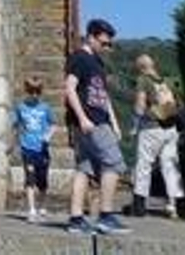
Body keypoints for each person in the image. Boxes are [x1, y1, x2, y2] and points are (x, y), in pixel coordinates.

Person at [63, 17, 130, 236]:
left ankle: (76, 219)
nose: (107, 47)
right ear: (91, 37)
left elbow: (104, 96)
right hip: (90, 121)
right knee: (114, 163)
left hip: (99, 121)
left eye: (109, 44)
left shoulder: (98, 63)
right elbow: (70, 88)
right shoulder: (79, 58)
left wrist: (115, 124)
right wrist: (82, 118)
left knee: (85, 168)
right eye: (103, 43)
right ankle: (106, 216)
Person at [130, 53, 185, 219]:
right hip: (171, 128)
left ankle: (139, 206)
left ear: (140, 68)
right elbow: (178, 103)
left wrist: (135, 124)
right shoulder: (165, 81)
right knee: (170, 165)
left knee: (144, 164)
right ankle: (173, 205)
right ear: (153, 65)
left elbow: (140, 105)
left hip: (151, 128)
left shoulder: (143, 80)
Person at [13, 75, 55, 222]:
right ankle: (31, 210)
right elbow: (17, 126)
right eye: (31, 91)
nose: (34, 95)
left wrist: (47, 137)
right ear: (27, 91)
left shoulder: (45, 108)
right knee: (30, 178)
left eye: (37, 91)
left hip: (42, 149)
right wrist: (12, 145)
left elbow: (52, 124)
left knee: (42, 180)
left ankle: (42, 207)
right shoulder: (20, 108)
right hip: (27, 147)